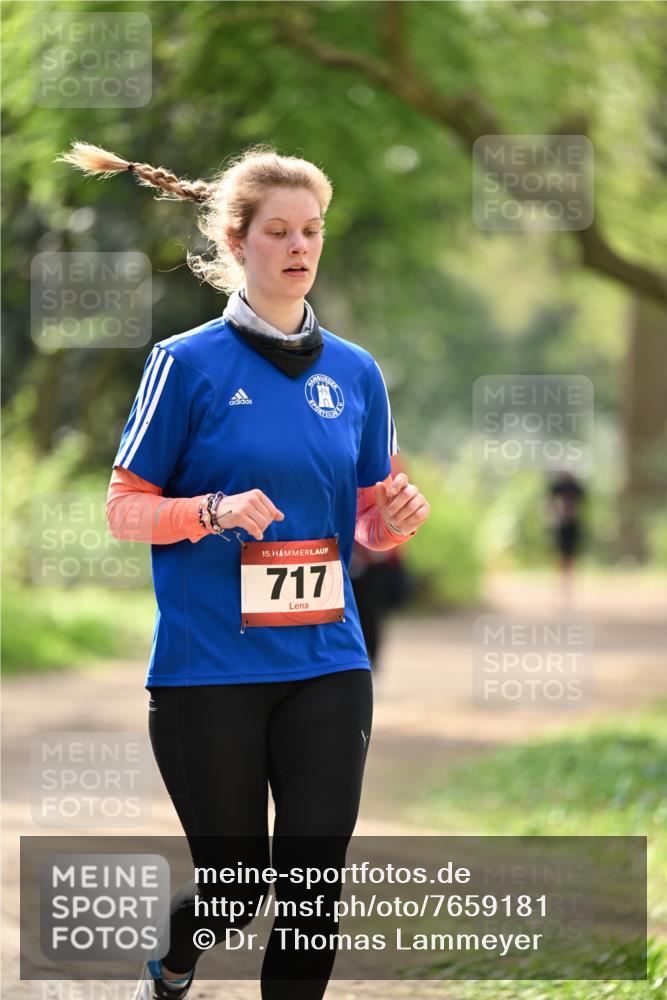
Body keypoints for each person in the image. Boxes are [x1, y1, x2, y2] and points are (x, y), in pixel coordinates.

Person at [57, 141, 430, 1000]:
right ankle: (172, 965)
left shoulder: (356, 372)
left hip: (326, 662)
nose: (299, 247)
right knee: (235, 892)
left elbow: (367, 515)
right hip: (209, 668)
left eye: (312, 230)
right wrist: (213, 511)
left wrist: (392, 520)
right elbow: (123, 509)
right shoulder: (185, 364)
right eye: (278, 231)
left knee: (311, 892)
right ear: (235, 242)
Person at [350, 453, 414, 671]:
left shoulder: (390, 457)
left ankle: (370, 664)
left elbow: (400, 509)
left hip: (375, 558)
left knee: (370, 614)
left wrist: (397, 557)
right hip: (344, 551)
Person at [547, 470, 587, 605]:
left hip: (572, 525)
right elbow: (550, 503)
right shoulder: (556, 487)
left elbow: (581, 505)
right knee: (560, 554)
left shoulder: (576, 488)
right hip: (560, 524)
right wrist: (556, 515)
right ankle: (560, 582)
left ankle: (568, 582)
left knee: (571, 555)